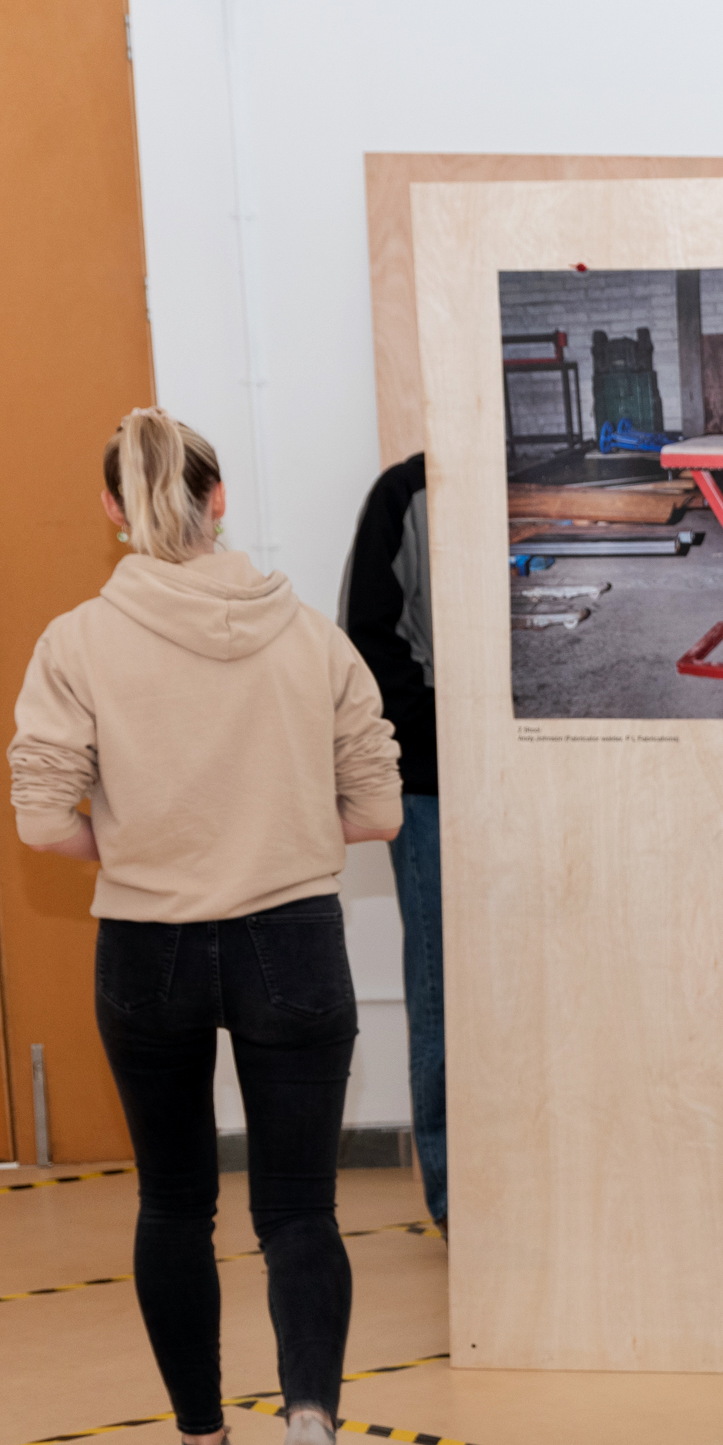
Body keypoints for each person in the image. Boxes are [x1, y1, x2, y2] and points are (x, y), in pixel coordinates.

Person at [10, 410, 405, 1445]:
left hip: (150, 947)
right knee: (299, 1212)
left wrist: (140, 853)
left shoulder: (78, 642)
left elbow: (43, 822)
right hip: (292, 937)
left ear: (114, 513)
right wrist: (276, 838)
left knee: (175, 1204)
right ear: (219, 499)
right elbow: (377, 811)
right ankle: (314, 1427)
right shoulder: (312, 641)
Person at [338, 453, 446, 1230]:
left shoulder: (533, 479)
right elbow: (370, 647)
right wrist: (460, 741)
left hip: (552, 786)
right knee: (444, 990)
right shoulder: (406, 493)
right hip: (437, 790)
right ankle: (458, 1205)